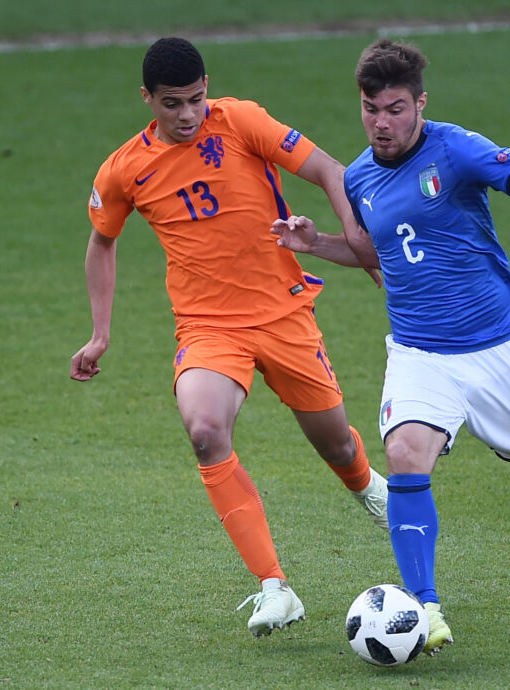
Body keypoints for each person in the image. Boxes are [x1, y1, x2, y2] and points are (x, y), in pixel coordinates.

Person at [271, 38, 510, 655]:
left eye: (395, 108)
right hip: (420, 353)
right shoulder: (358, 176)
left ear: (420, 104)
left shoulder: (455, 149)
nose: (382, 122)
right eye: (371, 108)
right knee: (403, 453)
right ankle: (426, 609)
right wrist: (314, 242)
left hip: (499, 347)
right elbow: (379, 253)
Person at [70, 37, 389, 639]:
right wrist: (99, 334)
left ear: (207, 86)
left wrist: (356, 236)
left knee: (338, 447)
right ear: (147, 99)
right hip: (208, 327)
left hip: (284, 313)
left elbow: (328, 169)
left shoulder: (240, 120)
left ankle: (369, 489)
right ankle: (275, 586)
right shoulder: (124, 169)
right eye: (172, 104)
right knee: (204, 430)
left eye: (196, 98)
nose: (187, 114)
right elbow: (101, 243)